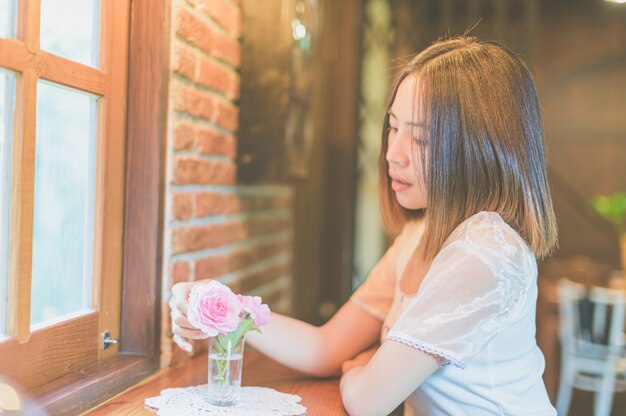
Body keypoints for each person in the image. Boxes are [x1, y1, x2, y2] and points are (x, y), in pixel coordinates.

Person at [170, 37, 559, 416]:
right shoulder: (419, 235)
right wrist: (221, 308)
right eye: (393, 127)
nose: (393, 153)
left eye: (421, 138)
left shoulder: (487, 250)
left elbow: (368, 402)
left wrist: (360, 371)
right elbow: (325, 347)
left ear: (479, 147)